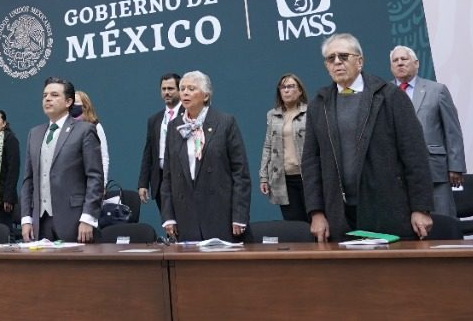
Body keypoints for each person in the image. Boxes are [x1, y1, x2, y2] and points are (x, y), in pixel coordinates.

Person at [302, 34, 434, 242]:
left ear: (359, 61)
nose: (337, 62)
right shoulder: (319, 104)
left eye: (343, 56)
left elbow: (415, 155)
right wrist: (316, 212)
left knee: (391, 274)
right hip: (340, 216)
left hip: (388, 210)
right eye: (331, 58)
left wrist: (421, 207)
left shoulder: (389, 96)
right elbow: (311, 163)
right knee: (349, 275)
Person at [160, 70, 250, 242]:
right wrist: (168, 216)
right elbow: (168, 176)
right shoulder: (174, 127)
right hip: (185, 214)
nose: (185, 92)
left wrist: (239, 215)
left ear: (206, 96)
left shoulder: (225, 122)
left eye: (192, 88)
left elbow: (240, 173)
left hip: (220, 212)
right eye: (183, 88)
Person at [20, 77, 103, 243]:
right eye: (44, 95)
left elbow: (95, 177)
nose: (48, 99)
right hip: (40, 223)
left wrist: (88, 218)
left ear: (68, 101)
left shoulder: (85, 130)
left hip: (75, 221)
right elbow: (28, 180)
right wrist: (26, 219)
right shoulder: (34, 134)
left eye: (54, 95)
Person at [390, 46, 466, 218]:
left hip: (435, 169)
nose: (400, 63)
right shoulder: (384, 94)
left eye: (404, 59)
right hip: (400, 173)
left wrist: (456, 166)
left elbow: (452, 130)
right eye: (395, 60)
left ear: (416, 63)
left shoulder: (437, 90)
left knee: (443, 221)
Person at [258, 73, 309, 222]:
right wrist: (264, 177)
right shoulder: (272, 115)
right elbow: (268, 146)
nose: (286, 90)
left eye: (291, 86)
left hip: (307, 177)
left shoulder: (310, 112)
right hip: (283, 178)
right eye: (283, 87)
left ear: (300, 91)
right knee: (294, 223)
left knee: (315, 221)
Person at [138, 73, 181, 210]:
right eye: (164, 89)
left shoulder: (189, 114)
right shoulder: (154, 120)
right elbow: (148, 153)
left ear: (180, 90)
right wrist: (143, 183)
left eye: (171, 88)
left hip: (182, 179)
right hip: (160, 180)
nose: (167, 92)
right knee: (168, 225)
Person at [75, 91, 111, 186]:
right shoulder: (64, 127)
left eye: (76, 102)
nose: (73, 105)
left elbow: (103, 157)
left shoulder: (95, 126)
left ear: (85, 106)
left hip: (90, 182)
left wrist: (103, 183)